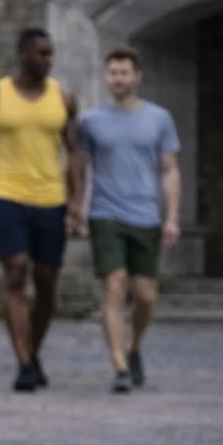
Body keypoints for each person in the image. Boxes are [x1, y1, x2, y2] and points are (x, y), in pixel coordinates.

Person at [0, 27, 82, 393]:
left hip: (51, 199)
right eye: (42, 54)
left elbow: (75, 152)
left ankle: (32, 353)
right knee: (16, 270)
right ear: (23, 55)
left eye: (51, 54)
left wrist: (77, 201)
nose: (48, 61)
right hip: (9, 195)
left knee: (47, 281)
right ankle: (23, 363)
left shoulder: (64, 99)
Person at [70, 45, 182, 393]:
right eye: (112, 73)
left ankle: (134, 349)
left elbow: (169, 169)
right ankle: (118, 366)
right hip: (106, 214)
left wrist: (172, 217)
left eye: (123, 73)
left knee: (145, 295)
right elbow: (78, 167)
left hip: (145, 214)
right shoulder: (90, 121)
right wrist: (76, 207)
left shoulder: (159, 119)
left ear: (137, 77)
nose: (117, 79)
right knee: (114, 284)